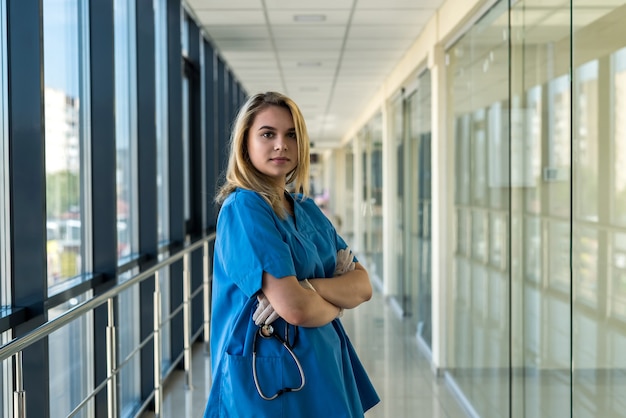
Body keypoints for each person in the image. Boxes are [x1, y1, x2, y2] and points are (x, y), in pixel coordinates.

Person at [203, 91, 380, 417]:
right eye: (268, 134)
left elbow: (363, 285)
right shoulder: (244, 209)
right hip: (271, 383)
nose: (281, 144)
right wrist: (335, 298)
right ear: (245, 143)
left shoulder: (307, 209)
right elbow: (295, 308)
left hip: (325, 370)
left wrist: (308, 288)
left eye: (291, 135)